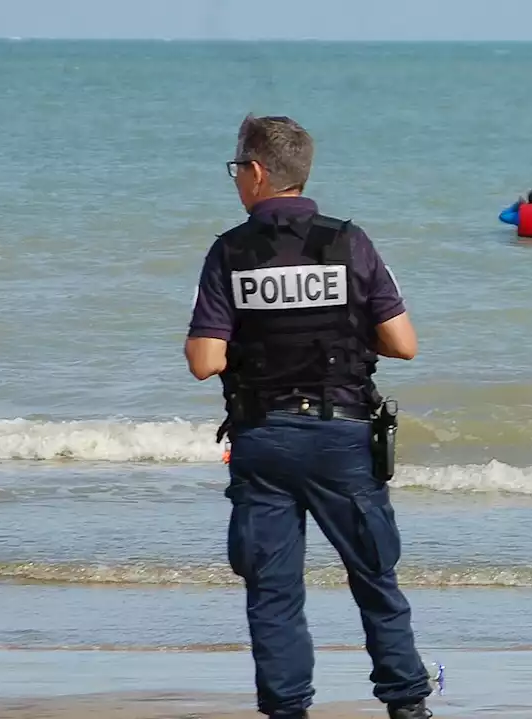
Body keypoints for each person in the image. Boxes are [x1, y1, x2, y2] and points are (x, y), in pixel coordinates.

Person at [184, 115, 433, 719]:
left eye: (237, 168)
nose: (236, 179)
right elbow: (403, 344)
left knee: (272, 591)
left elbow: (204, 360)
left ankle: (288, 710)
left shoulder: (230, 252)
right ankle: (407, 705)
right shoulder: (351, 242)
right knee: (375, 576)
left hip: (263, 439)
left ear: (259, 172)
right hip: (343, 435)